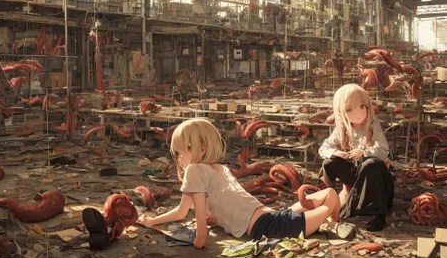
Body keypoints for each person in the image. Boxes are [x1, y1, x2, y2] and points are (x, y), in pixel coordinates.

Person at [140, 118, 353, 249]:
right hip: (272, 216)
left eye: (180, 151)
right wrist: (152, 222)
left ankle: (333, 222)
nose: (178, 158)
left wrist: (197, 242)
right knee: (328, 196)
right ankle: (332, 220)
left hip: (270, 227)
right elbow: (182, 211)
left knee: (330, 197)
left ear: (200, 148)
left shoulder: (194, 170)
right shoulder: (219, 168)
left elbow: (198, 231)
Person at [319, 84, 394, 232]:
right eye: (349, 110)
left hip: (377, 180)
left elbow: (383, 150)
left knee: (370, 163)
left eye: (361, 107)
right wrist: (335, 152)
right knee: (329, 162)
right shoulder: (342, 128)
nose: (358, 113)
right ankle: (330, 200)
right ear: (342, 112)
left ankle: (378, 215)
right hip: (356, 176)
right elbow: (323, 148)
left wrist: (363, 152)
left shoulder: (373, 125)